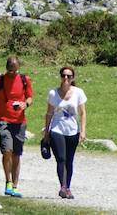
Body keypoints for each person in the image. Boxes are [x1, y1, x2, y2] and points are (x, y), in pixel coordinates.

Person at [0, 56, 34, 198]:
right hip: (4, 120)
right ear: (6, 68)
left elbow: (30, 97)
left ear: (18, 68)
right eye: (10, 70)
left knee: (17, 154)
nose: (12, 73)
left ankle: (14, 186)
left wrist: (25, 104)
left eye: (15, 70)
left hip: (20, 121)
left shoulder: (25, 80)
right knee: (7, 150)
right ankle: (8, 182)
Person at [43, 66, 87, 199]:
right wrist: (47, 131)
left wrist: (83, 131)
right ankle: (62, 186)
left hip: (73, 130)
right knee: (61, 159)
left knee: (69, 161)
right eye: (63, 75)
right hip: (57, 129)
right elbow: (49, 113)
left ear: (73, 78)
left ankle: (68, 187)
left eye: (69, 76)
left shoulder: (79, 92)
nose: (66, 78)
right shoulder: (53, 93)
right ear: (60, 77)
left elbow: (83, 113)